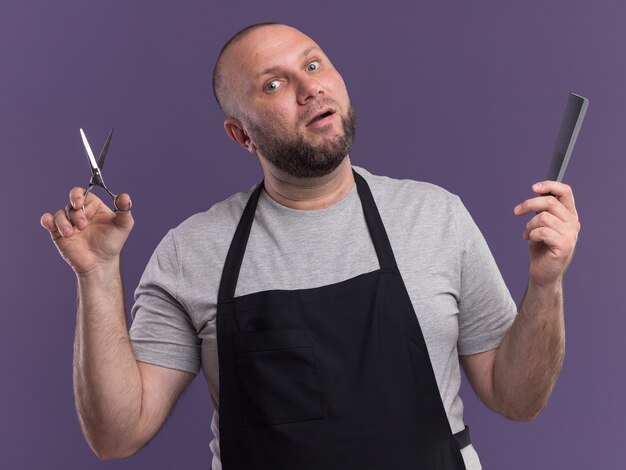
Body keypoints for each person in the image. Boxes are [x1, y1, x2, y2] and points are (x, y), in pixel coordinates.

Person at [40, 22, 581, 470]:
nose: (309, 88)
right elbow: (116, 435)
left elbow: (518, 398)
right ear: (241, 135)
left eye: (314, 64)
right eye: (273, 85)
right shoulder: (191, 252)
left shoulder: (435, 217)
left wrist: (546, 284)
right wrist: (98, 273)